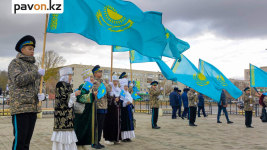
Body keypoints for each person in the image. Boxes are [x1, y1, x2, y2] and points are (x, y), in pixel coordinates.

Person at [8, 35, 46, 150]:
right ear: (22, 49)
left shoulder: (34, 66)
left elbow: (39, 85)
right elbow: (18, 80)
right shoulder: (15, 63)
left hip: (32, 107)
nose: (32, 51)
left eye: (33, 49)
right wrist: (36, 73)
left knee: (27, 141)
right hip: (20, 107)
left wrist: (42, 94)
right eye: (30, 48)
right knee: (20, 140)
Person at [51, 67, 81, 150]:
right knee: (62, 133)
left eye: (71, 76)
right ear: (64, 76)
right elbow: (62, 97)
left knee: (69, 132)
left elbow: (70, 101)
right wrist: (74, 94)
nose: (71, 78)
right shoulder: (60, 84)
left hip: (68, 114)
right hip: (61, 114)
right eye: (69, 76)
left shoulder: (68, 85)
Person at [74, 69, 98, 150]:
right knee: (81, 128)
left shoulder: (91, 87)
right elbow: (81, 98)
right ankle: (78, 145)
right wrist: (92, 95)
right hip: (82, 112)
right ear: (86, 78)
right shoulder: (82, 86)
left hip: (88, 112)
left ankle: (82, 144)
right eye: (90, 77)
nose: (92, 78)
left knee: (86, 128)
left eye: (92, 77)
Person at [91, 65, 111, 149]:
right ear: (95, 74)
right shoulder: (94, 82)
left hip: (104, 106)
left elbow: (108, 93)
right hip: (98, 106)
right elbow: (98, 92)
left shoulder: (102, 82)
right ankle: (94, 143)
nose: (101, 73)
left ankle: (98, 141)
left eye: (101, 72)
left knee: (101, 126)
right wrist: (106, 87)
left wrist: (109, 87)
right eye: (99, 72)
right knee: (97, 126)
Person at [103, 75, 122, 144]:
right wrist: (113, 98)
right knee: (109, 123)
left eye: (116, 81)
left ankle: (115, 138)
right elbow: (106, 97)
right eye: (114, 81)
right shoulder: (109, 88)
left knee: (116, 123)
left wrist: (118, 99)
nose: (115, 83)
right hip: (110, 110)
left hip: (117, 109)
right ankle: (108, 139)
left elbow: (121, 98)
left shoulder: (119, 89)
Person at [119, 77, 135, 142]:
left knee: (129, 123)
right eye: (125, 86)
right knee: (125, 123)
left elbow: (131, 102)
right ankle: (124, 137)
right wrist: (125, 102)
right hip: (124, 110)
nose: (126, 87)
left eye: (126, 86)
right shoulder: (121, 93)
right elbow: (120, 102)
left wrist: (132, 110)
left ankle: (128, 136)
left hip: (129, 110)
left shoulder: (128, 93)